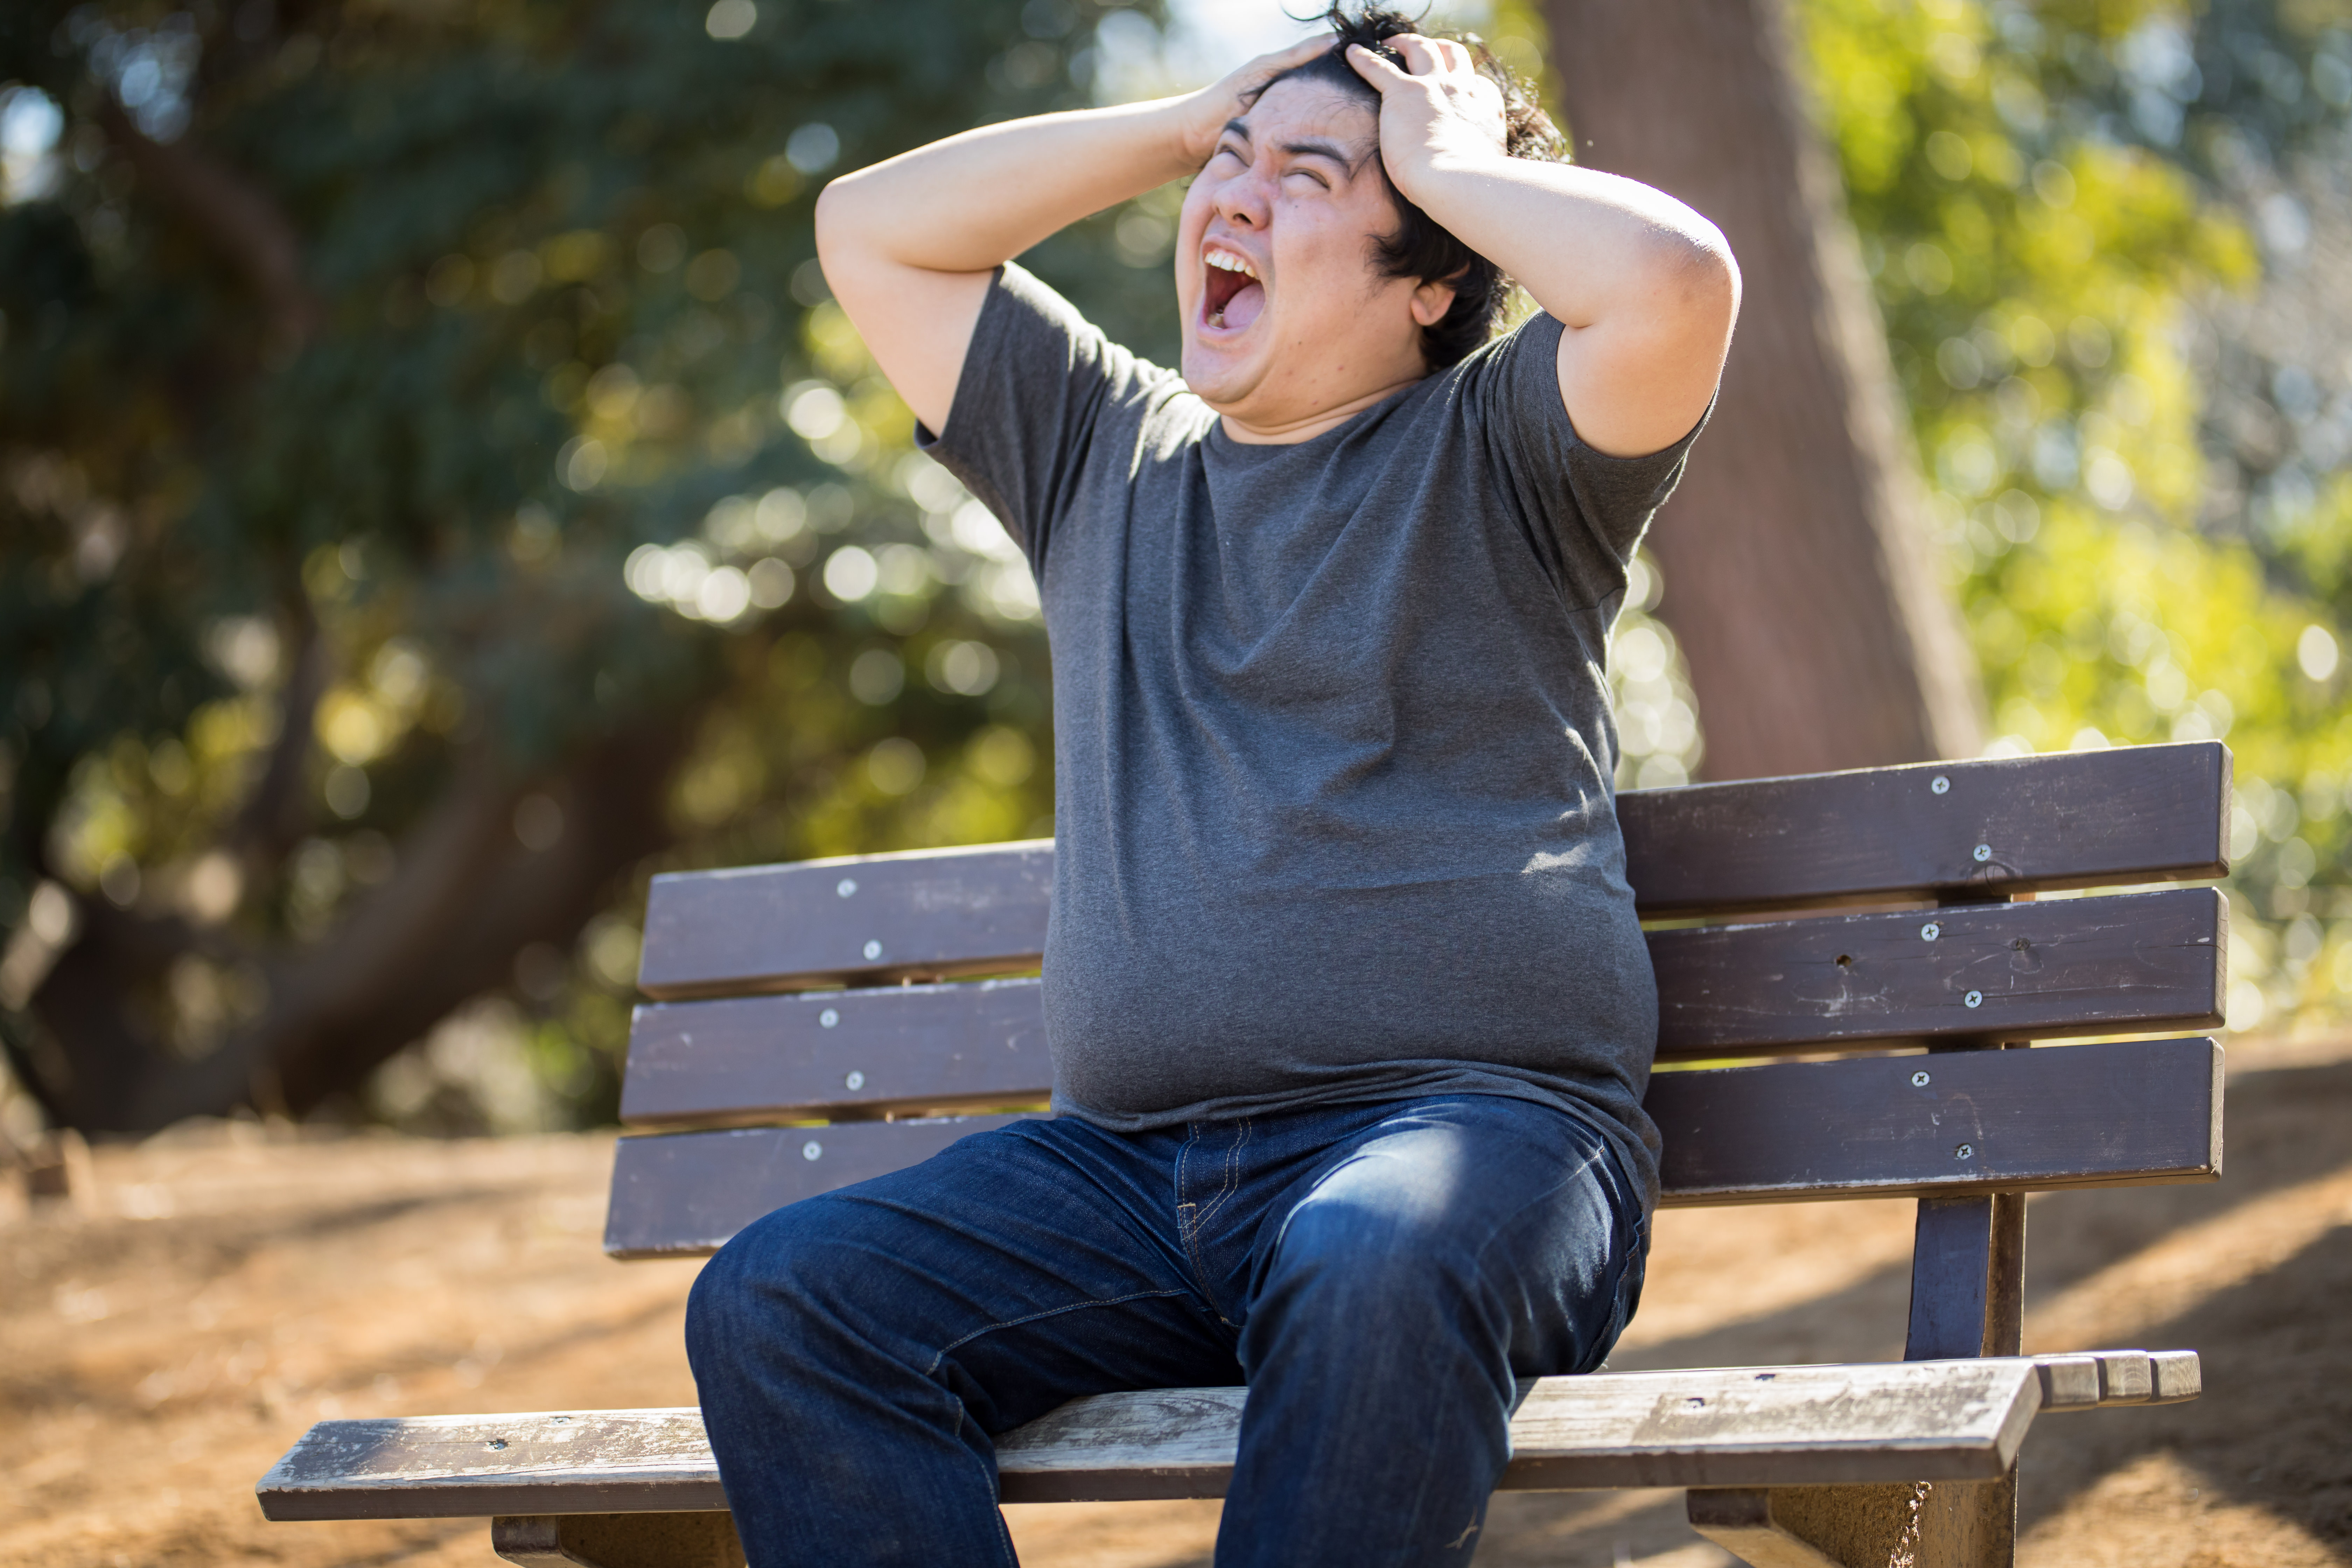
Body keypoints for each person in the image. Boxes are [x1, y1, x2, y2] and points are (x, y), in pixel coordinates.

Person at [685, 7, 1739, 1563]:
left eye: (1309, 180)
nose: (1232, 201)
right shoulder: (1100, 454)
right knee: (784, 1301)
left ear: (1432, 273)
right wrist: (1194, 119)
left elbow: (1676, 284)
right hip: (1123, 1184)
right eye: (1227, 172)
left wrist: (1447, 154)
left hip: (1475, 1146)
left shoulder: (1511, 453)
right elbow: (873, 232)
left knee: (1370, 1257)